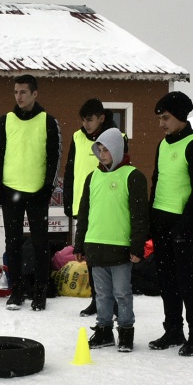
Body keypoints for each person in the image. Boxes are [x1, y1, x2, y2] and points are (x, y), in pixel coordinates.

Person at [148, 91, 193, 356]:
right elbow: (157, 180)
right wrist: (152, 216)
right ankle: (173, 329)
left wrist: (186, 225)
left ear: (181, 117)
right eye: (160, 118)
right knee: (166, 279)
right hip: (161, 220)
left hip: (184, 223)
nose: (161, 123)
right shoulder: (163, 144)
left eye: (166, 118)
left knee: (188, 280)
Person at [73, 127, 148, 352]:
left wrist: (137, 246)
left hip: (121, 249)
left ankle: (125, 332)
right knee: (102, 294)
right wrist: (79, 243)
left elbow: (139, 216)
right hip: (95, 246)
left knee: (122, 294)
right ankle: (104, 331)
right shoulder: (92, 177)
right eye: (100, 149)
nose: (102, 154)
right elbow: (84, 212)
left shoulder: (133, 176)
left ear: (116, 149)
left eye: (106, 149)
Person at [0, 74, 61, 311]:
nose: (18, 97)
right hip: (11, 191)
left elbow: (54, 158)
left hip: (37, 193)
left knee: (41, 244)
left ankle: (40, 292)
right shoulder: (5, 121)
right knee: (13, 244)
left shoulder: (48, 121)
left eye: (23, 92)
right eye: (15, 92)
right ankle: (17, 291)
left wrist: (48, 188)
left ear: (34, 94)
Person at [64, 98, 118, 315]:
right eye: (83, 120)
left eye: (90, 120)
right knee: (90, 257)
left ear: (101, 118)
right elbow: (70, 171)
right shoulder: (77, 137)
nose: (85, 124)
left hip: (107, 205)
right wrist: (70, 201)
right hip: (83, 207)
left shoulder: (116, 138)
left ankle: (112, 301)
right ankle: (97, 299)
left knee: (112, 256)